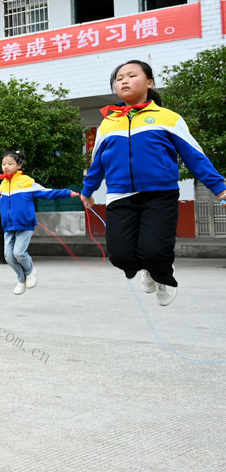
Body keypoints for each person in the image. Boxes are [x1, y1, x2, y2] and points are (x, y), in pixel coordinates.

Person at [80, 60, 226, 306]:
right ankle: (146, 267)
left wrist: (220, 189)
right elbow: (97, 163)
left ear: (149, 82)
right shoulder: (108, 123)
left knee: (155, 251)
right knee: (120, 257)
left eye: (131, 75)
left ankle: (161, 276)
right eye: (119, 78)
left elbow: (194, 156)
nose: (124, 80)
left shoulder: (168, 118)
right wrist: (87, 191)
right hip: (120, 196)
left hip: (160, 194)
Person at [0, 150, 78, 295]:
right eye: (3, 164)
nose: (6, 166)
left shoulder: (28, 182)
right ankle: (21, 279)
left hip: (25, 225)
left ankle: (31, 271)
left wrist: (68, 193)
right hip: (9, 226)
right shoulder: (3, 184)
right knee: (8, 256)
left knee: (19, 253)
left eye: (10, 163)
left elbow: (48, 193)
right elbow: (5, 202)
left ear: (19, 165)